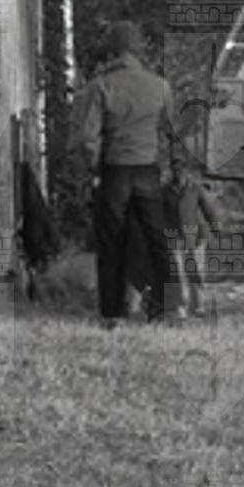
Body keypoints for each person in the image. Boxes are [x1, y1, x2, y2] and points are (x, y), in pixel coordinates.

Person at [79, 20, 177, 325]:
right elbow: (172, 133)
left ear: (113, 50)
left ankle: (112, 313)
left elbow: (88, 138)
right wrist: (168, 168)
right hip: (148, 169)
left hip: (116, 170)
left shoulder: (101, 86)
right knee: (157, 240)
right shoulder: (160, 86)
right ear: (138, 49)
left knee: (112, 242)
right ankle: (166, 307)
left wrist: (94, 169)